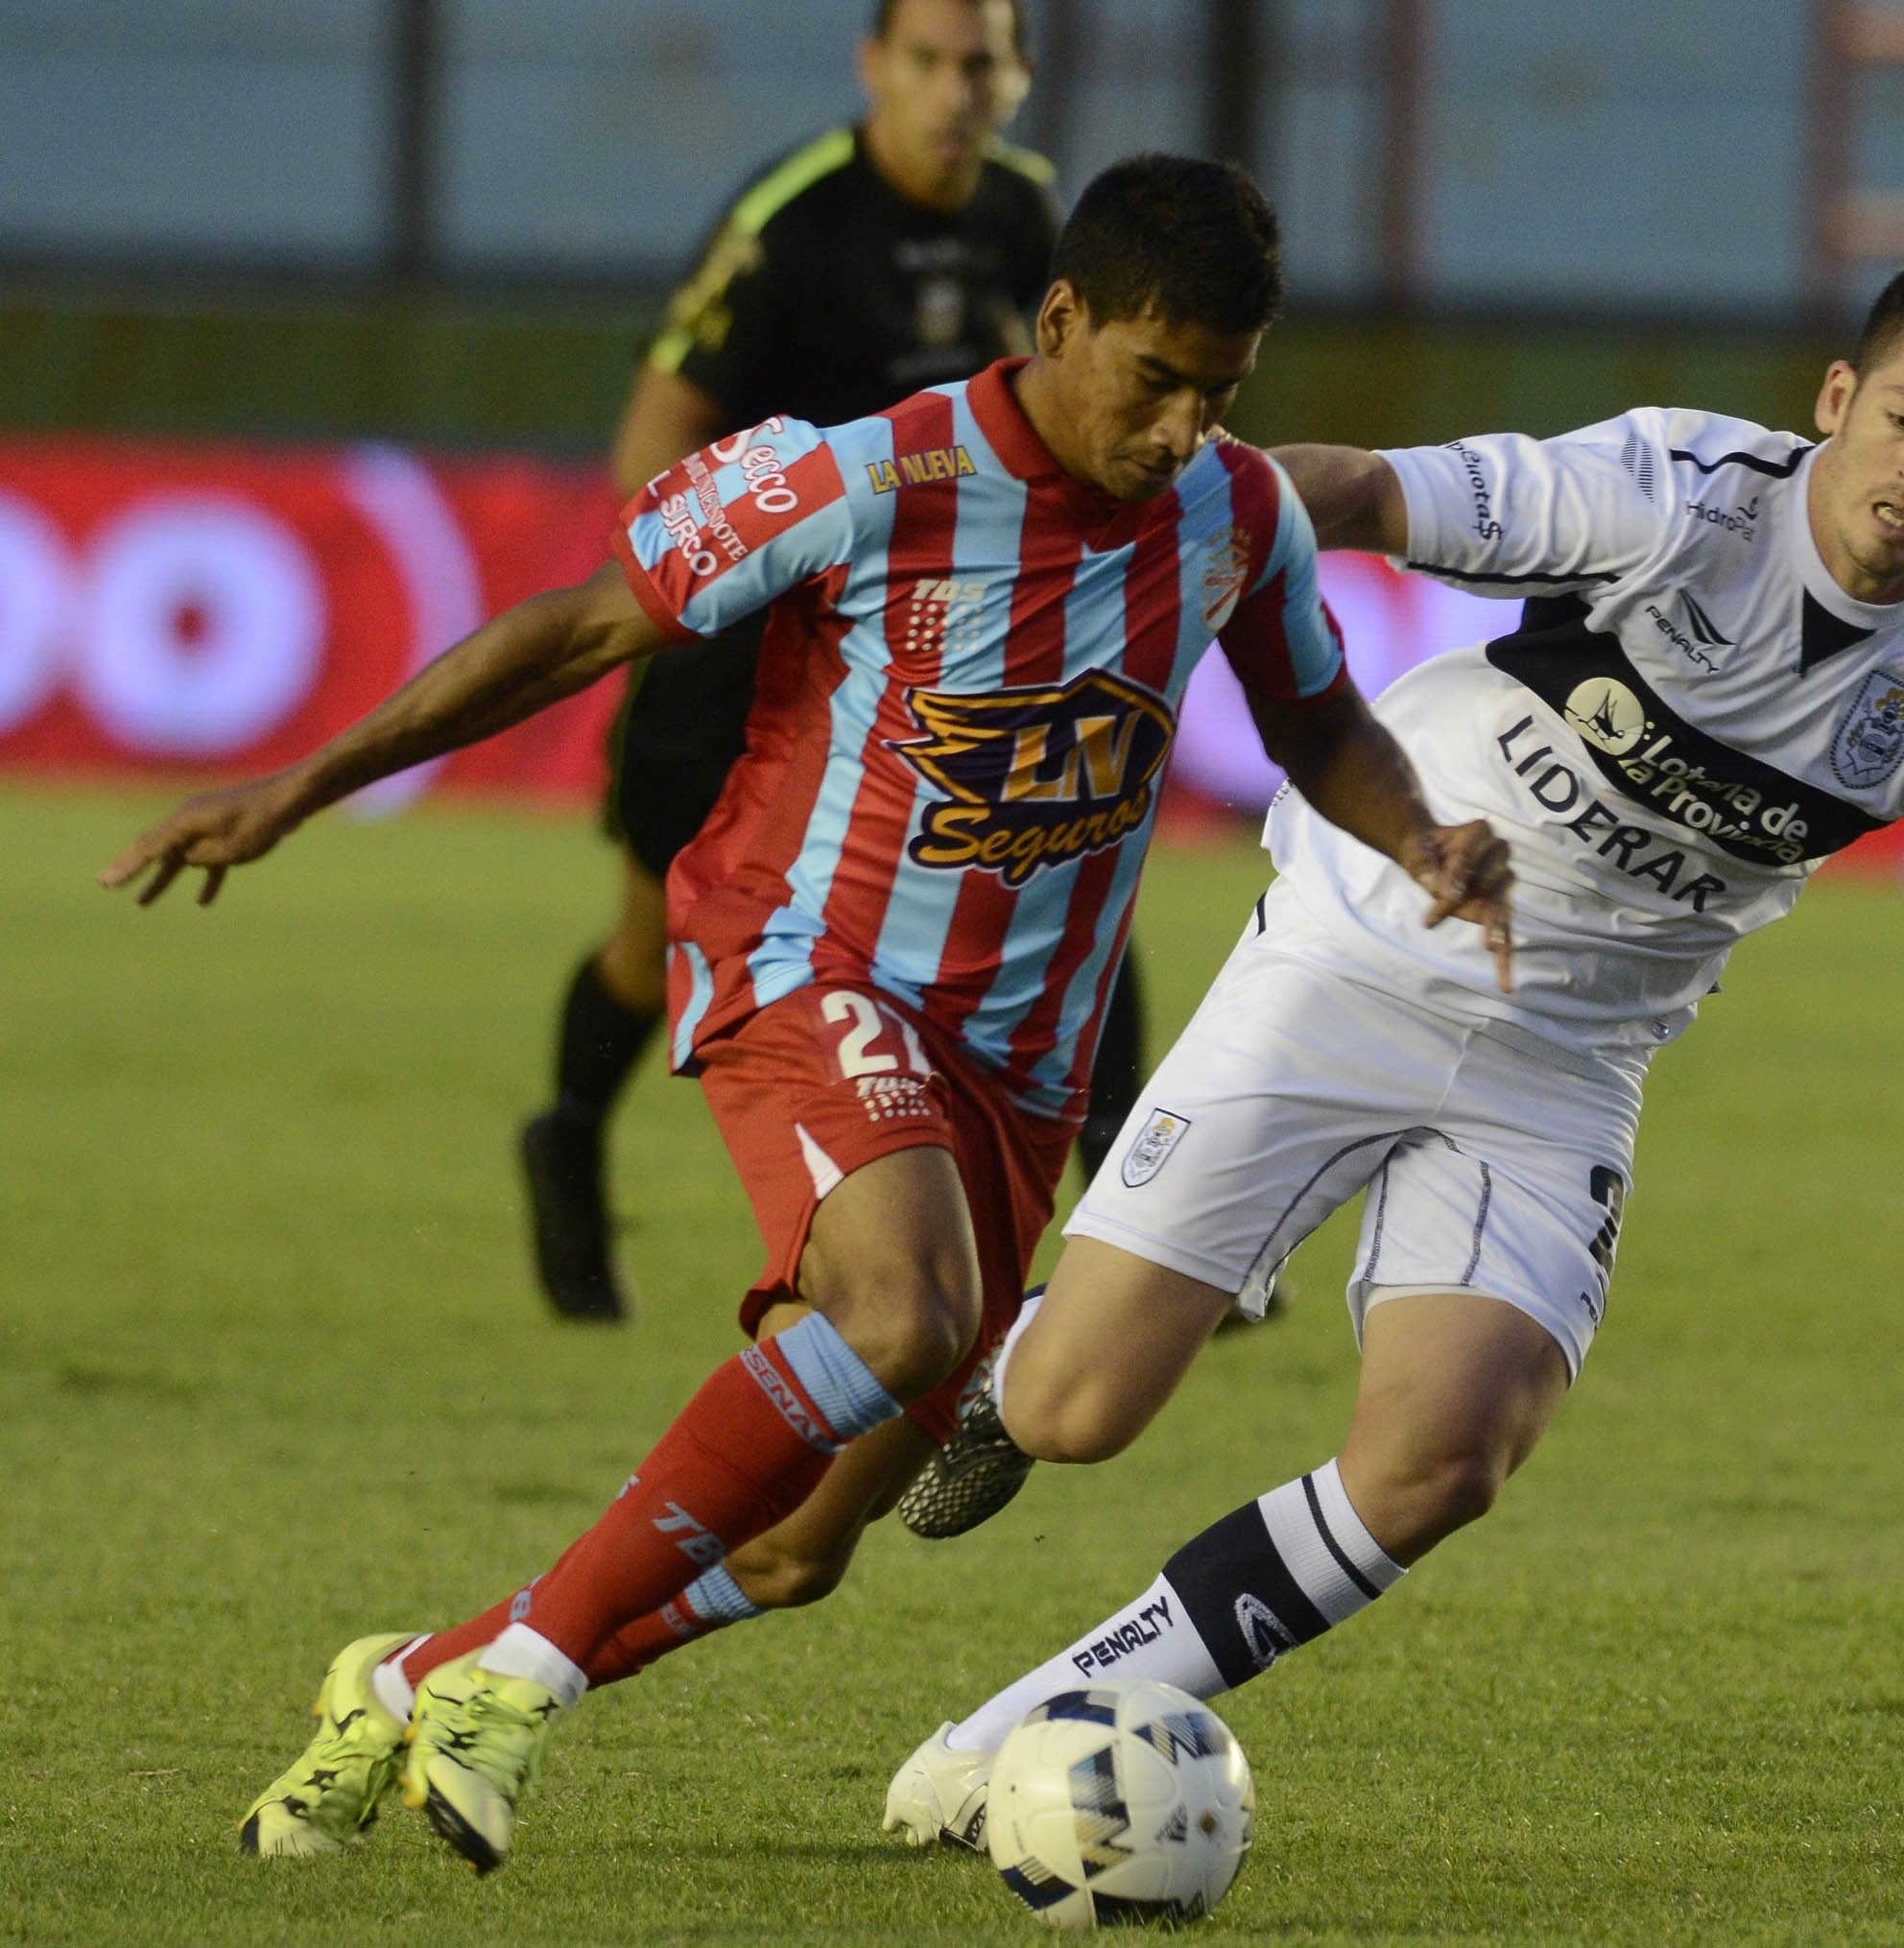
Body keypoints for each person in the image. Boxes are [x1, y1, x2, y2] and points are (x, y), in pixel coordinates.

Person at [100, 154, 1513, 1874]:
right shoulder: (871, 476)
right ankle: (525, 1679)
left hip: (1019, 1064)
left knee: (799, 1550)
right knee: (909, 1317)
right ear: (1061, 322)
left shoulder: (1232, 514)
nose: (1180, 427)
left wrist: (1423, 832)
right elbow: (573, 632)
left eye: (1221, 390)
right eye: (1154, 380)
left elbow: (1319, 724)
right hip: (812, 965)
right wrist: (298, 786)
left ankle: (419, 1676)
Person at [878, 240, 1904, 1849]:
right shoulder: (1671, 493)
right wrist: (1120, 530)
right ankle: (1024, 1362)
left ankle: (1026, 1729)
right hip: (1371, 936)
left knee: (1444, 1458)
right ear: (1837, 397)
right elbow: (1354, 491)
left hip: (1569, 1062)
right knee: (1076, 1411)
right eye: (1901, 418)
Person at [524, 0, 1146, 1326]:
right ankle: (569, 1138)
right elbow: (650, 456)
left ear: (1021, 76)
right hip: (744, 658)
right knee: (653, 950)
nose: (953, 92)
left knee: (1066, 859)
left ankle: (1148, 1215)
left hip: (941, 654)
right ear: (874, 67)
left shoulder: (1035, 219)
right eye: (926, 62)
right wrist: (797, 548)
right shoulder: (791, 223)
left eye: (981, 64)